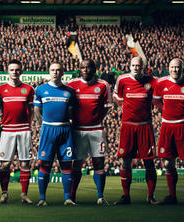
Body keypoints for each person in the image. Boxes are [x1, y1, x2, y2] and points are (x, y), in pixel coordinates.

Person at [153, 58, 184, 206]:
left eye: (177, 67)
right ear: (169, 68)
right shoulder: (161, 83)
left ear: (183, 68)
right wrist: (166, 111)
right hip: (167, 126)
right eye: (172, 67)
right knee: (168, 162)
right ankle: (172, 196)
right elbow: (155, 100)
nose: (175, 70)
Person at [113, 56, 158, 205]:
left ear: (143, 66)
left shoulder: (152, 81)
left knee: (149, 162)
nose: (135, 67)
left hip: (145, 126)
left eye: (138, 65)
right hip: (127, 126)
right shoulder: (122, 80)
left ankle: (150, 196)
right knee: (126, 160)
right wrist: (123, 108)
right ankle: (126, 196)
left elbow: (159, 97)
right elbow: (116, 96)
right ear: (129, 66)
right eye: (133, 65)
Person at [67, 59, 112, 205]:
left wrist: (96, 119)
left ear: (94, 69)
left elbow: (106, 107)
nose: (85, 70)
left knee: (99, 163)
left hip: (96, 130)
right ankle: (72, 196)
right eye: (82, 67)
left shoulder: (103, 85)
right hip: (78, 130)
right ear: (79, 69)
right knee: (77, 164)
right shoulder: (72, 85)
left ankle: (100, 197)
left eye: (88, 67)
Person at [33, 62, 76, 206]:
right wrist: (43, 125)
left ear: (62, 73)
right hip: (48, 129)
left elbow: (71, 112)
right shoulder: (40, 90)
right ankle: (42, 198)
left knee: (66, 164)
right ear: (49, 72)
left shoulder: (69, 91)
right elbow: (37, 111)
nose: (55, 73)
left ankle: (67, 198)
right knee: (45, 164)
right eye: (52, 70)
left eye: (58, 70)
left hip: (65, 129)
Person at [0, 59, 35, 204]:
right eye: (12, 69)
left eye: (17, 69)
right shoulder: (0, 89)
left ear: (21, 71)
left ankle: (24, 194)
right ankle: (4, 193)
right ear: (8, 71)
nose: (15, 72)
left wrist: (28, 124)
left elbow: (31, 109)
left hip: (24, 129)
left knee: (25, 164)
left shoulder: (28, 89)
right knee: (5, 164)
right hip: (7, 129)